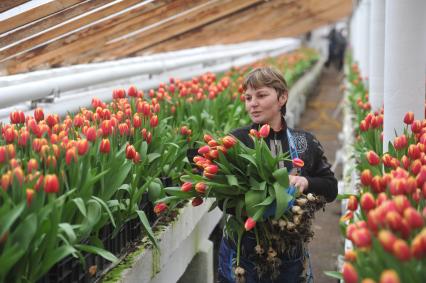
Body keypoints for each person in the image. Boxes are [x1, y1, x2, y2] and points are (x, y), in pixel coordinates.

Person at [217, 66, 338, 283]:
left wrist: (305, 181)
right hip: (243, 253)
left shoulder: (304, 143)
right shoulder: (237, 141)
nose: (252, 103)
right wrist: (253, 206)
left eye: (261, 95)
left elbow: (331, 188)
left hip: (290, 252)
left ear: (282, 97)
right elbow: (221, 199)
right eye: (248, 97)